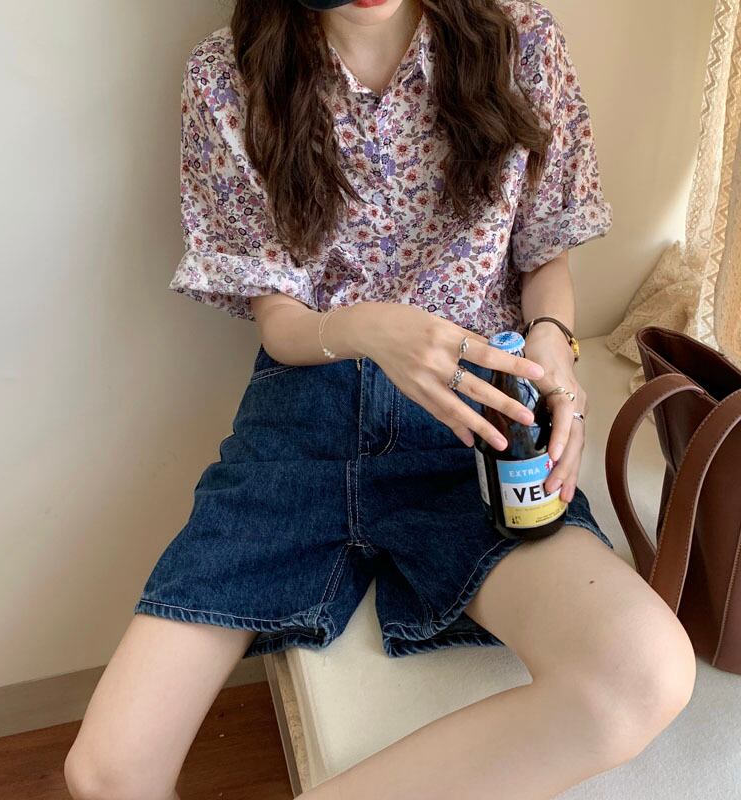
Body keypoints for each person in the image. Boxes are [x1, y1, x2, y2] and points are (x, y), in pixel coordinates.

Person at [64, 1, 697, 798]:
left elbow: (545, 258)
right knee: (105, 774)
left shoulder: (521, 41)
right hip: (303, 421)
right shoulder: (228, 77)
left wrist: (550, 350)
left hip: (473, 420)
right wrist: (368, 329)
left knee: (642, 673)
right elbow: (281, 323)